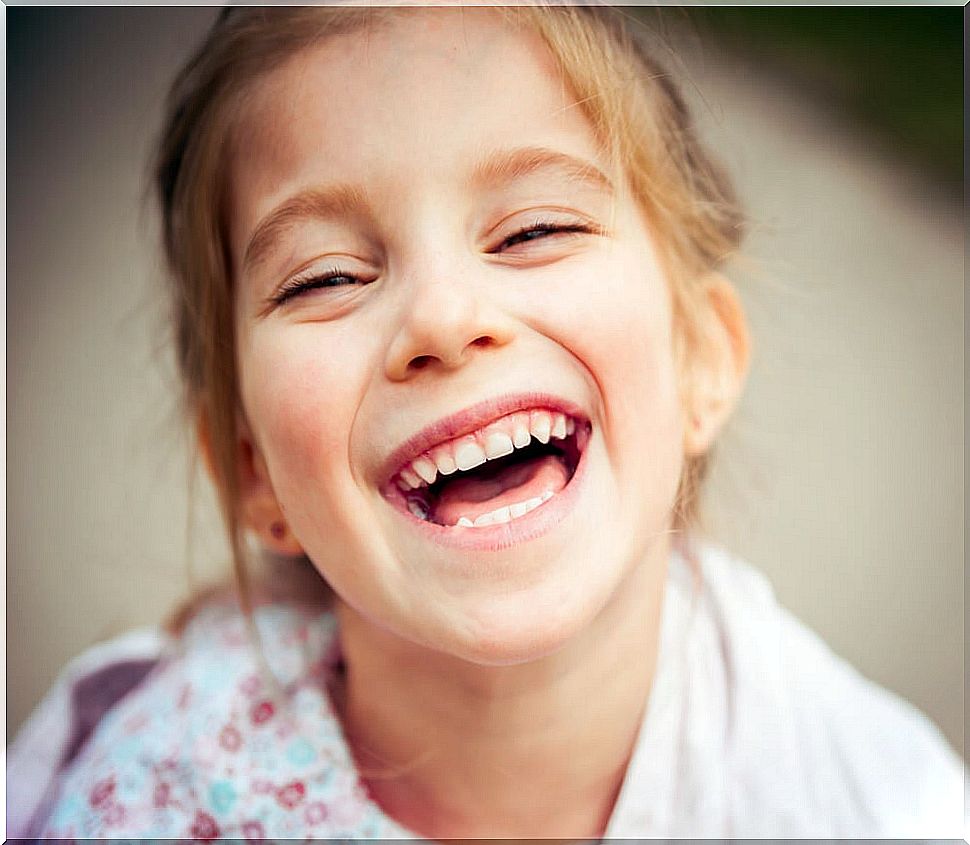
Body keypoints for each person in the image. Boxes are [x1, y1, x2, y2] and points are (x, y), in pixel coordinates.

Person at [9, 5, 965, 839]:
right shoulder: (148, 805)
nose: (444, 317)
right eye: (327, 277)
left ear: (699, 358)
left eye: (534, 229)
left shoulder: (873, 806)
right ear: (255, 471)